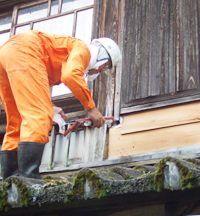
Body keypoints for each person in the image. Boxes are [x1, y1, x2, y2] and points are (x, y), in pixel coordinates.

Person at [0, 30, 121, 180]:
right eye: (106, 66)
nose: (102, 70)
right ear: (103, 55)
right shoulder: (83, 49)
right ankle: (28, 178)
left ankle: (10, 179)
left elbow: (32, 88)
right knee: (39, 116)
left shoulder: (65, 54)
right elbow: (70, 75)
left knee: (17, 121)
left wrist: (51, 107)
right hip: (26, 50)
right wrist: (91, 108)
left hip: (7, 52)